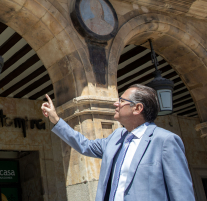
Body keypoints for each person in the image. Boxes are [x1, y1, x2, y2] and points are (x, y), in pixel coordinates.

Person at [41, 84, 195, 201]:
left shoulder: (165, 141)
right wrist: (55, 119)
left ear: (137, 108)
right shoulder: (116, 137)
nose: (116, 103)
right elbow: (85, 145)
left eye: (121, 100)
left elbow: (182, 194)